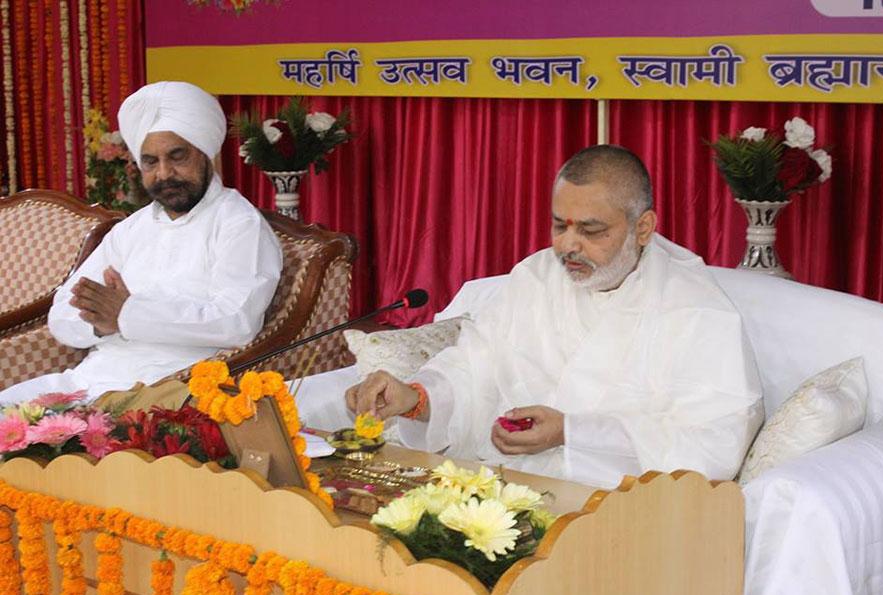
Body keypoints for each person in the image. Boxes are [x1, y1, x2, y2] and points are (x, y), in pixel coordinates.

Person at [347, 145, 763, 488]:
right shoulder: (536, 276)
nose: (568, 245)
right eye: (559, 225)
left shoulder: (696, 310)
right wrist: (417, 399)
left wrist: (573, 433)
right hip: (504, 491)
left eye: (591, 230)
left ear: (643, 227)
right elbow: (474, 367)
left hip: (620, 512)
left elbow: (715, 445)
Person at [0, 81, 282, 404]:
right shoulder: (131, 230)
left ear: (205, 153)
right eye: (150, 162)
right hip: (91, 379)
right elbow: (62, 315)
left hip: (170, 389)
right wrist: (101, 324)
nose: (164, 174)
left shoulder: (238, 223)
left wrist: (127, 315)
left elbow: (237, 322)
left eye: (177, 156)